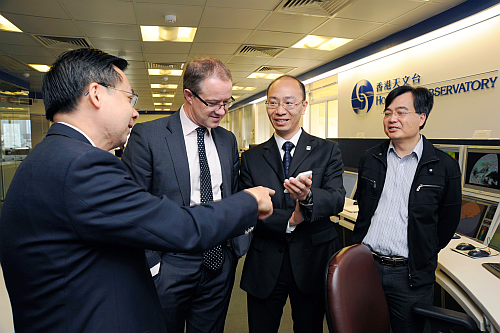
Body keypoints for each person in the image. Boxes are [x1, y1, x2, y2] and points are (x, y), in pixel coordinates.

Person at [0, 48, 274, 333]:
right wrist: (250, 201)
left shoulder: (51, 156)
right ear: (95, 94)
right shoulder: (82, 165)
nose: (134, 111)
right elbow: (180, 225)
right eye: (129, 97)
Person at [122, 57, 247, 333]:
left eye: (227, 102)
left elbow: (232, 195)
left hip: (219, 263)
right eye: (213, 103)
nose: (222, 111)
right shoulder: (149, 136)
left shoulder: (227, 140)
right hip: (169, 265)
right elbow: (133, 206)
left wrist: (235, 251)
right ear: (188, 95)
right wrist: (153, 265)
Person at [239, 75, 346, 333]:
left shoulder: (327, 150)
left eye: (289, 102)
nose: (280, 111)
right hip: (265, 262)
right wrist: (290, 220)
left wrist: (308, 200)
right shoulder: (252, 157)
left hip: (312, 260)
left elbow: (336, 198)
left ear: (304, 106)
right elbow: (246, 206)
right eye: (273, 103)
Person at [352, 85, 462, 333]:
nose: (392, 119)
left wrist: (423, 250)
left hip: (410, 276)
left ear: (422, 118)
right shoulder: (370, 158)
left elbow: (447, 223)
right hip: (366, 267)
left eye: (401, 112)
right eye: (388, 112)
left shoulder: (444, 167)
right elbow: (365, 210)